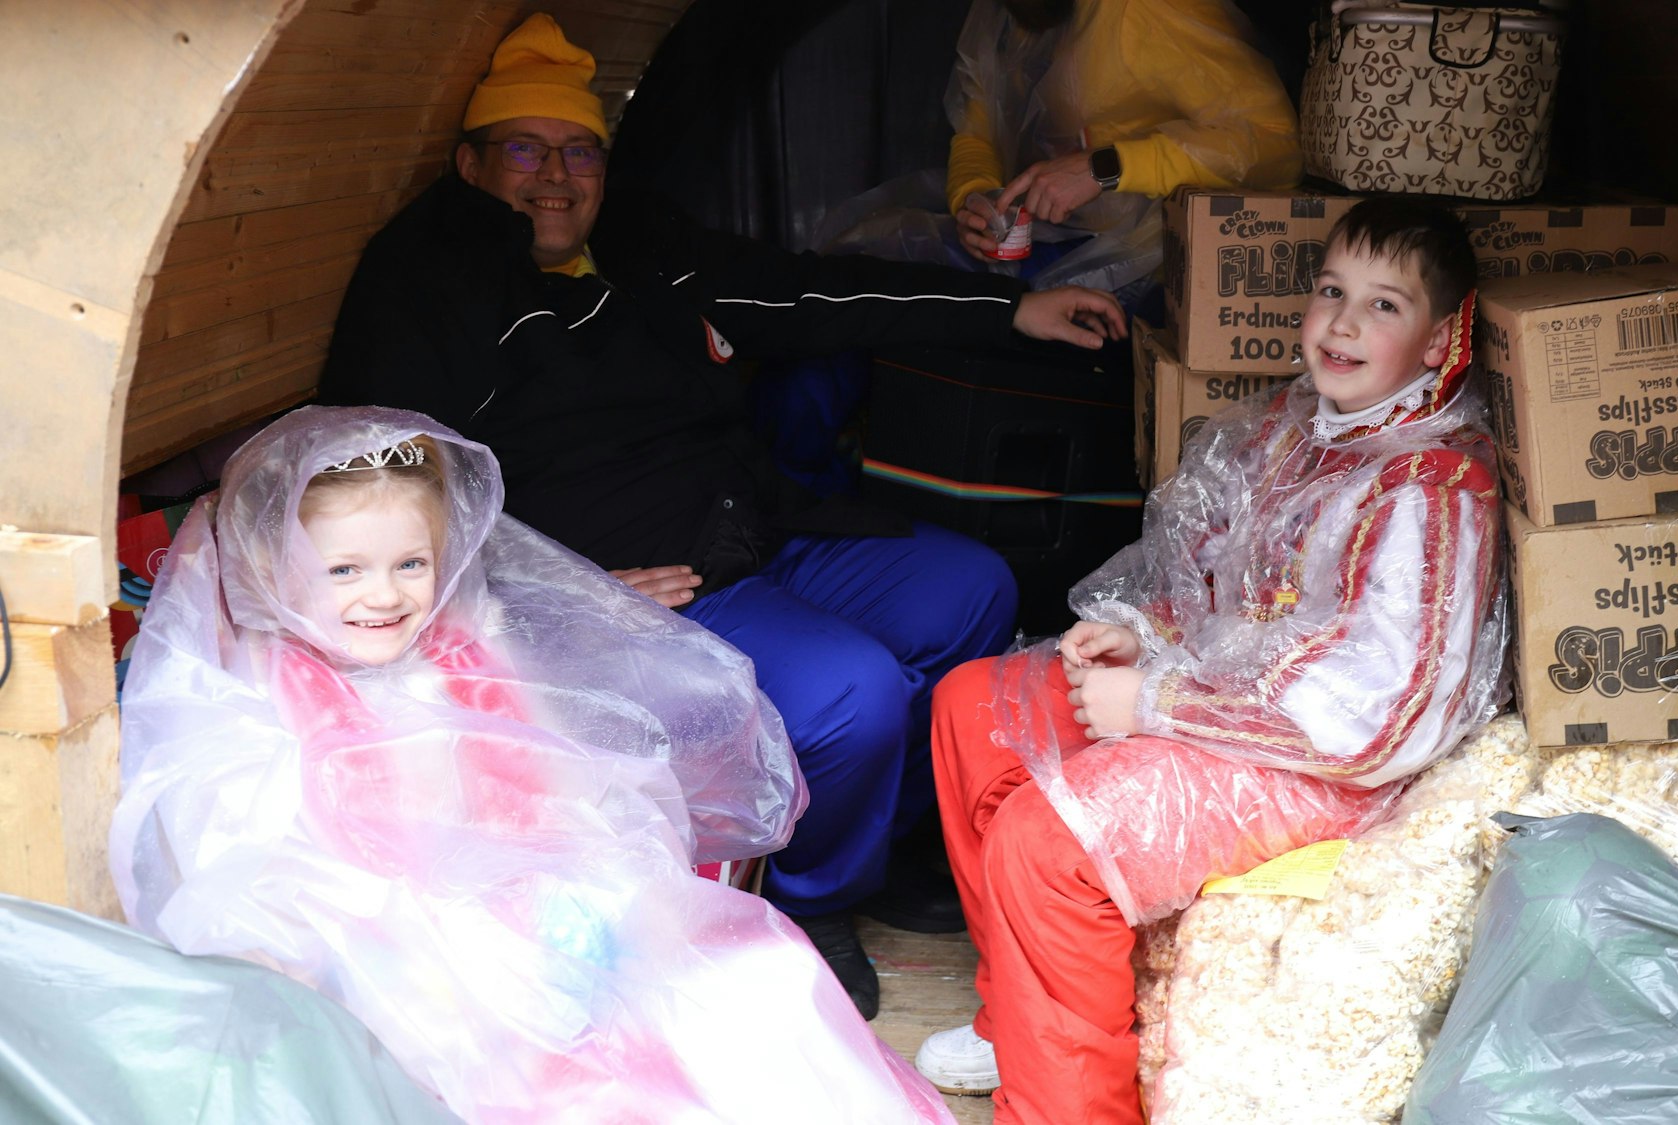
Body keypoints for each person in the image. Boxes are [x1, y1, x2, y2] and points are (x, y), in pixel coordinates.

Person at [318, 14, 1128, 1018]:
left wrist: (1003, 311)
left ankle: (865, 842)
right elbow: (377, 485)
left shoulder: (644, 249)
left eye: (579, 152)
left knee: (972, 592)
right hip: (630, 582)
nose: (556, 176)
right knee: (853, 694)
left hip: (754, 522)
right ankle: (812, 896)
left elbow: (811, 295)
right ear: (469, 163)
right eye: (525, 151)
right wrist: (555, 594)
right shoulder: (427, 284)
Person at [109, 406, 958, 1124]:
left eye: (411, 563)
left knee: (747, 991)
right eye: (344, 570)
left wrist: (610, 889)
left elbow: (556, 780)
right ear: (273, 572)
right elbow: (244, 855)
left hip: (517, 906)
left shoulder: (457, 651)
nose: (385, 594)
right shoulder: (266, 685)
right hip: (380, 953)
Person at [914, 198, 1509, 1124]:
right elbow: (1204, 584)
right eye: (1331, 291)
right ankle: (1017, 1017)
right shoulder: (1293, 428)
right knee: (972, 704)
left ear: (1441, 341)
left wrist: (1154, 700)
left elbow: (1371, 724)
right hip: (1219, 705)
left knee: (1048, 838)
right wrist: (1135, 635)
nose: (1344, 322)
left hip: (1325, 772)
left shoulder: (1430, 488)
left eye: (1385, 305)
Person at [819, 0, 1302, 299]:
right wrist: (976, 197)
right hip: (1048, 236)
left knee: (871, 279)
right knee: (853, 262)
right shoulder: (1007, 12)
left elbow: (1273, 139)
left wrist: (1104, 168)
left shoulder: (1150, 10)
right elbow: (978, 128)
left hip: (1147, 264)